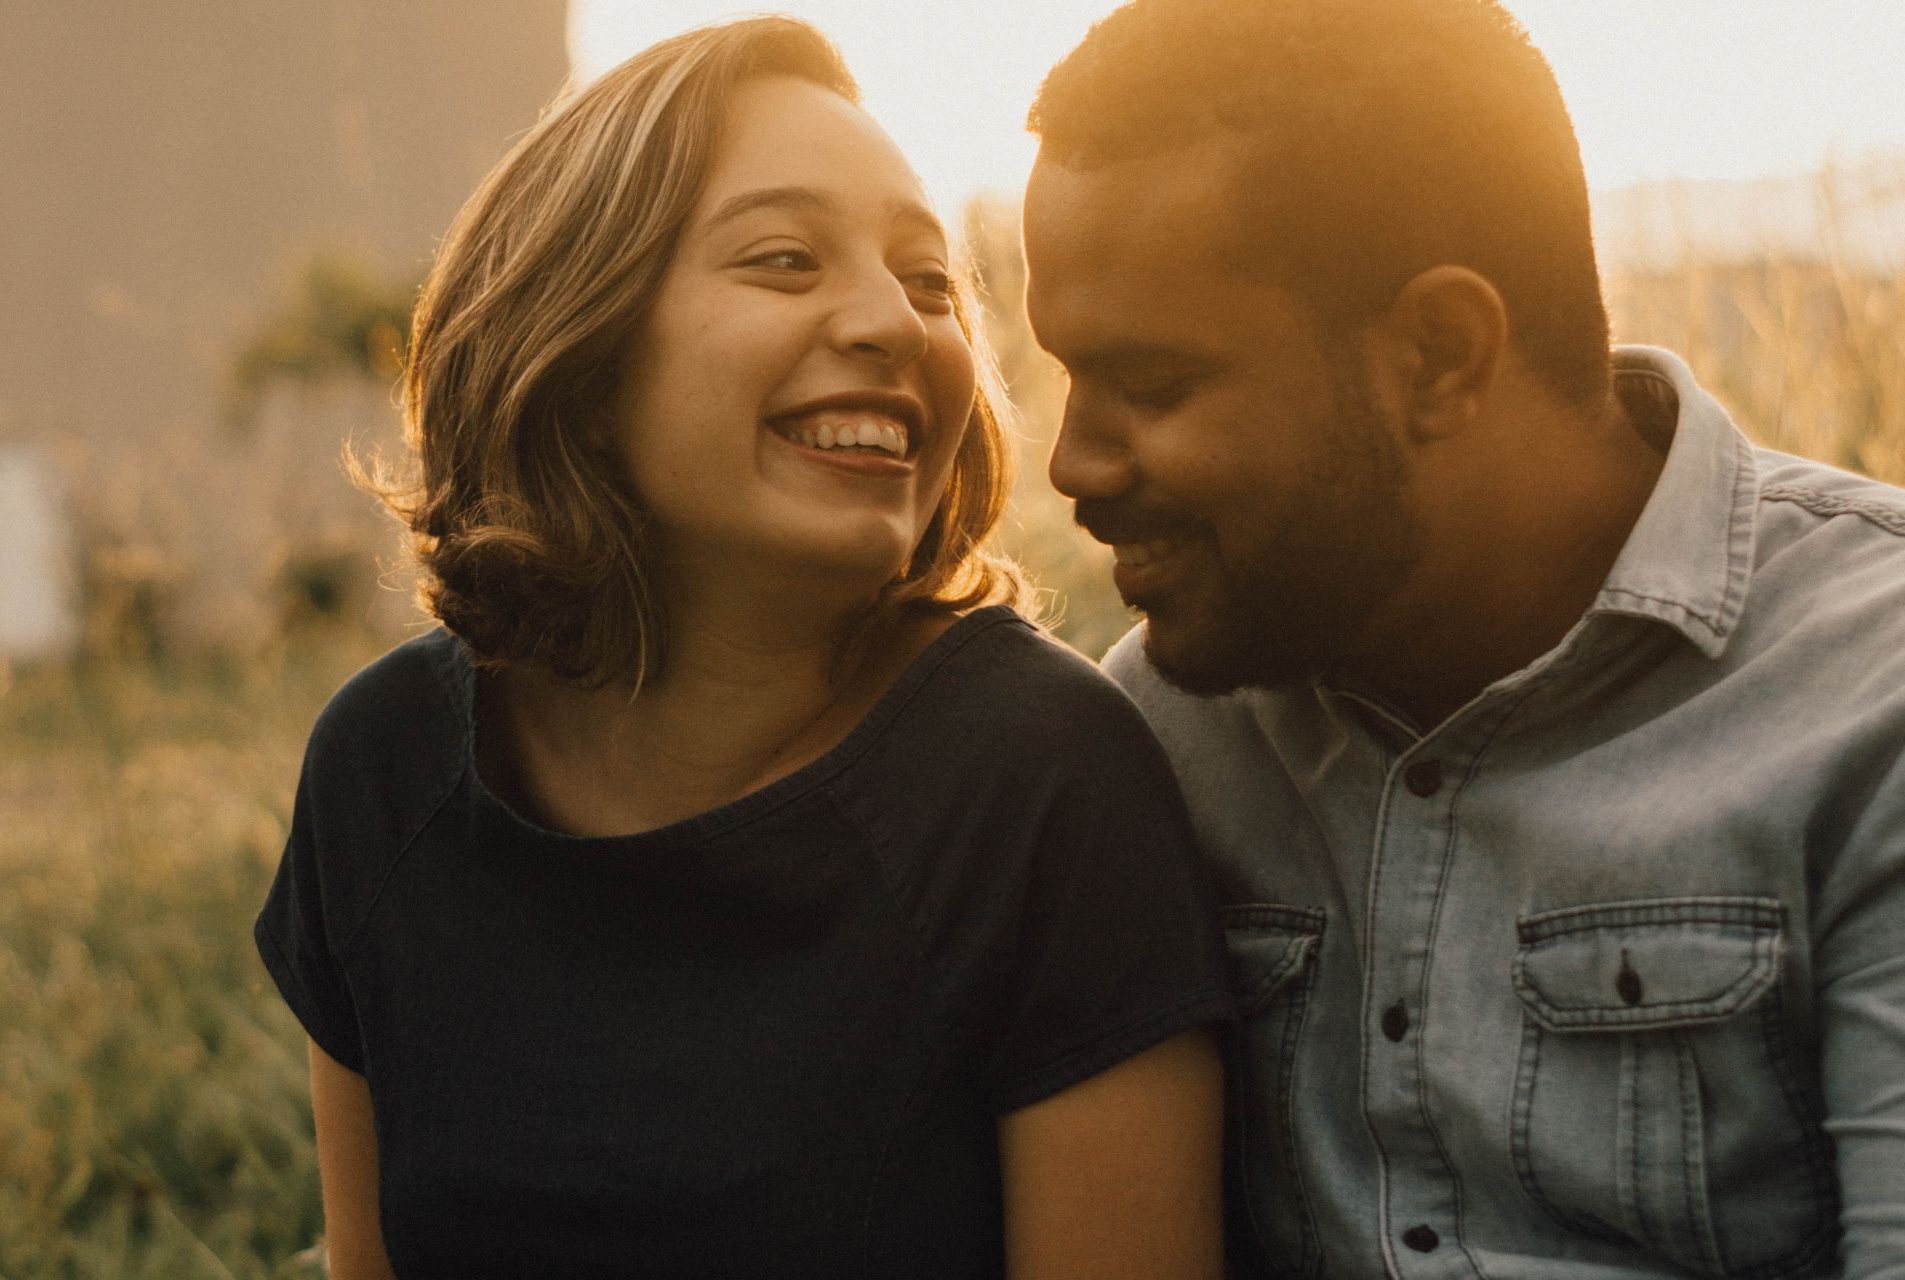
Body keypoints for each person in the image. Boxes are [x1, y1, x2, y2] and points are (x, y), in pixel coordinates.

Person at [254, 17, 1235, 1278]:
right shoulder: (380, 770)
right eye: (784, 260)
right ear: (581, 339)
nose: (895, 322)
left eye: (931, 281)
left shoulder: (1039, 777)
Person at [1021, 0, 1905, 1276]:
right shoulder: (1160, 733)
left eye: (1155, 386)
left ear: (1440, 350)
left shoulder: (1870, 684)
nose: (1074, 463)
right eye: (1064, 376)